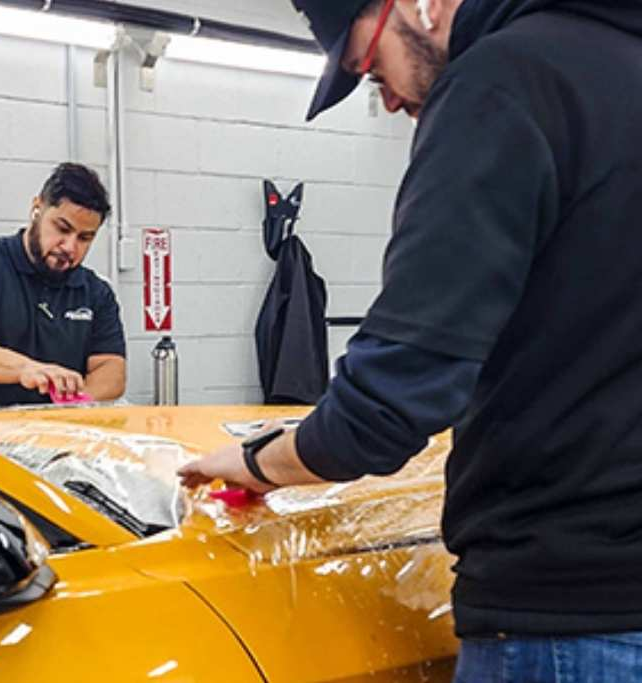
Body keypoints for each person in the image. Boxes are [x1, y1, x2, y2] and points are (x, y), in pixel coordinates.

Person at [179, 0, 642, 678]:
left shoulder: (501, 83)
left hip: (567, 613)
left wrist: (252, 462)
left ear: (424, 6)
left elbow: (389, 403)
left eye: (370, 69)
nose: (390, 101)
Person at [0, 163, 126, 412]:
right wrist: (26, 369)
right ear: (37, 208)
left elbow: (111, 369)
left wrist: (73, 404)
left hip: (43, 430)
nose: (70, 247)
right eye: (62, 228)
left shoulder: (96, 293)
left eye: (85, 238)